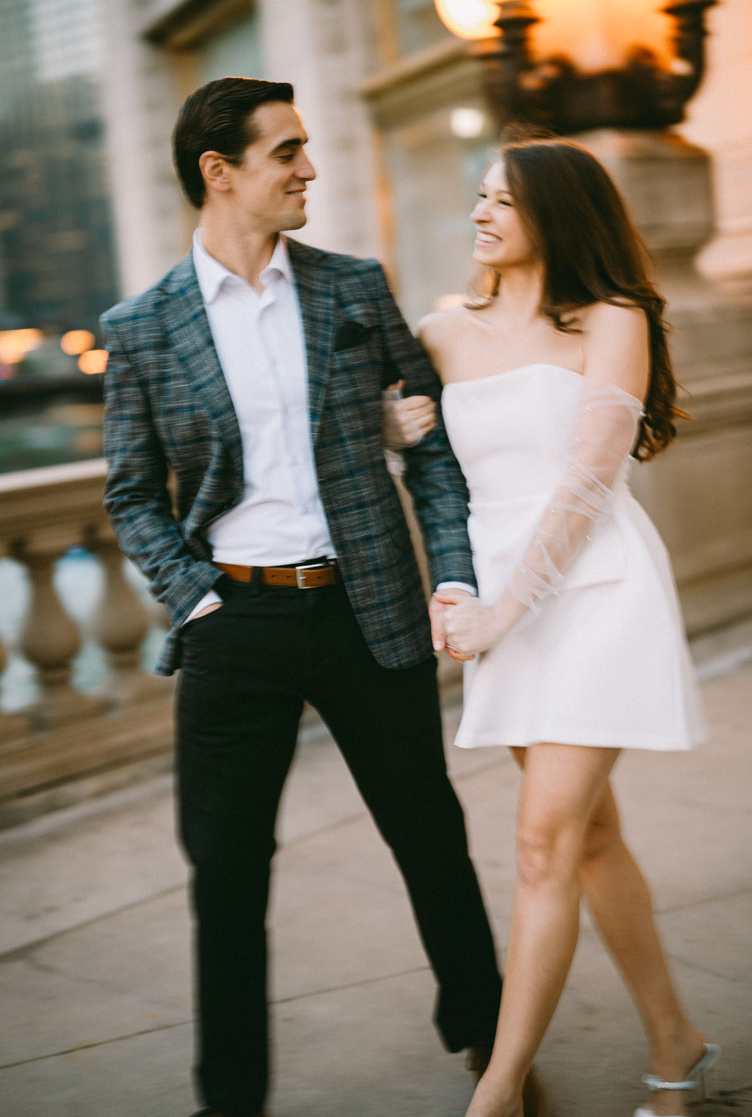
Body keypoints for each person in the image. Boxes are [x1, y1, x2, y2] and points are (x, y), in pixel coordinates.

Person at [100, 76, 511, 1117]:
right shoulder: (144, 328)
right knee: (226, 878)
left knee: (428, 838)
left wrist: (451, 573)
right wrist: (192, 598)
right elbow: (132, 493)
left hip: (363, 607)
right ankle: (230, 1099)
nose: (308, 169)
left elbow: (430, 445)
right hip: (231, 623)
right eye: (286, 152)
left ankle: (491, 1045)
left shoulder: (348, 289)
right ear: (220, 171)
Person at [388, 134, 717, 1117]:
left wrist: (500, 612)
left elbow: (584, 480)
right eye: (476, 198)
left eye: (502, 200)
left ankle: (492, 1096)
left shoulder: (611, 319)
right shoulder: (440, 332)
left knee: (540, 843)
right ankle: (678, 1042)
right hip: (500, 606)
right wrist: (387, 432)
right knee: (589, 840)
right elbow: (409, 458)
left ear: (554, 217)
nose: (480, 214)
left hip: (594, 592)